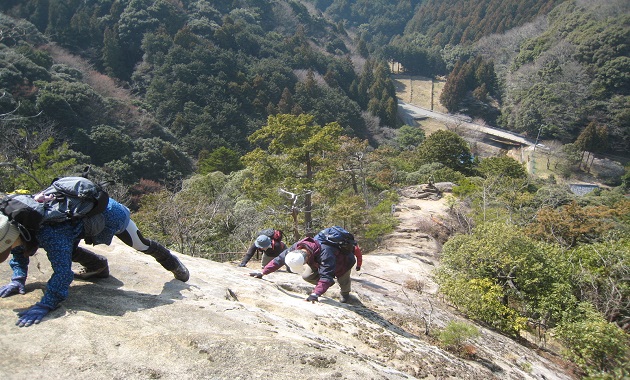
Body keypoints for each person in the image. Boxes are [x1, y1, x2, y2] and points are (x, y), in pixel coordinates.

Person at [0, 195, 189, 327]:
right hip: (72, 222)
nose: (11, 248)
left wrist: (47, 303)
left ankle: (173, 263)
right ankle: (98, 267)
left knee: (141, 244)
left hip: (111, 214)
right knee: (64, 248)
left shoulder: (48, 232)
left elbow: (63, 273)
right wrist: (18, 278)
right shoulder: (16, 220)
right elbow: (18, 248)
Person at [249, 227, 357, 303]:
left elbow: (325, 276)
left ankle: (345, 293)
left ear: (305, 260)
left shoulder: (326, 253)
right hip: (316, 260)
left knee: (343, 279)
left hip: (343, 262)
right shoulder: (296, 247)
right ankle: (324, 286)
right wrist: (262, 272)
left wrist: (315, 294)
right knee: (307, 276)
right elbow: (279, 260)